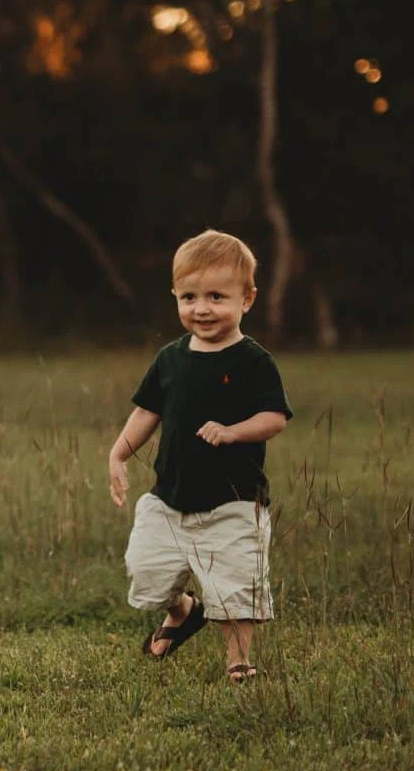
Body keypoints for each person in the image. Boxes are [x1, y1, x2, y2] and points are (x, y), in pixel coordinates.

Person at [105, 230, 293, 684]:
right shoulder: (170, 359)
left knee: (235, 584)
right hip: (169, 498)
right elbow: (147, 412)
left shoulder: (253, 360)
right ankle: (183, 611)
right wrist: (118, 454)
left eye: (216, 297)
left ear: (247, 299)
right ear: (175, 296)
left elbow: (274, 417)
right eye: (189, 297)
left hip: (234, 500)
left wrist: (233, 432)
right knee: (147, 570)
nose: (202, 308)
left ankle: (238, 660)